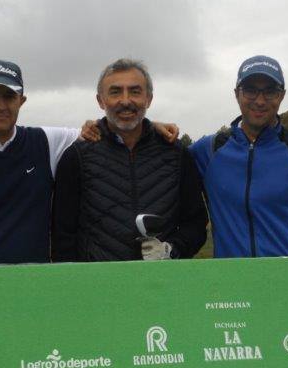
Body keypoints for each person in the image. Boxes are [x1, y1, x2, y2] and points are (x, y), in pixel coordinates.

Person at [0, 59, 178, 265]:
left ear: (22, 100)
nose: (0, 105)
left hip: (37, 285)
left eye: (8, 96)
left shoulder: (44, 142)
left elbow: (115, 127)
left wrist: (149, 125)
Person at [189, 55, 288, 258]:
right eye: (250, 90)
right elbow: (167, 159)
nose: (259, 100)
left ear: (281, 95)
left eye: (270, 91)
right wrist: (155, 128)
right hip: (231, 284)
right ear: (236, 94)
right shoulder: (209, 151)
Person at [51, 58, 207, 262]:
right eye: (115, 92)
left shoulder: (176, 153)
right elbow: (63, 234)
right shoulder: (77, 157)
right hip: (98, 286)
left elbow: (195, 223)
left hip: (164, 282)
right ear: (100, 100)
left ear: (149, 99)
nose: (125, 101)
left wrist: (172, 250)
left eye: (135, 91)